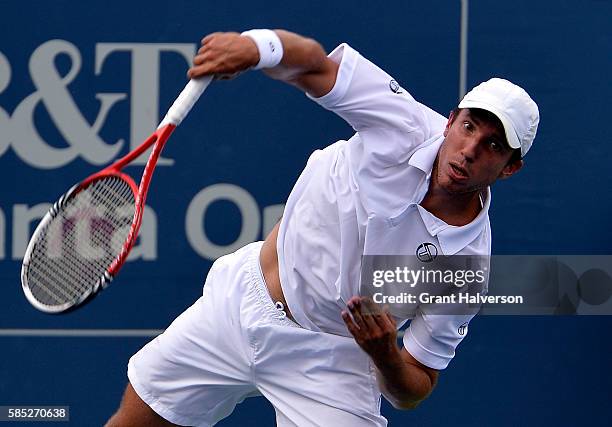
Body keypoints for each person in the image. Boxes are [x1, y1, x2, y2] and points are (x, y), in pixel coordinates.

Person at [106, 29, 539, 426]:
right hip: (240, 304)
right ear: (449, 121)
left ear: (510, 168)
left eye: (493, 146)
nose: (469, 149)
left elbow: (417, 384)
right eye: (468, 127)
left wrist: (385, 354)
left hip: (333, 362)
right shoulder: (401, 123)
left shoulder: (464, 267)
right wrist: (257, 48)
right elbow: (315, 66)